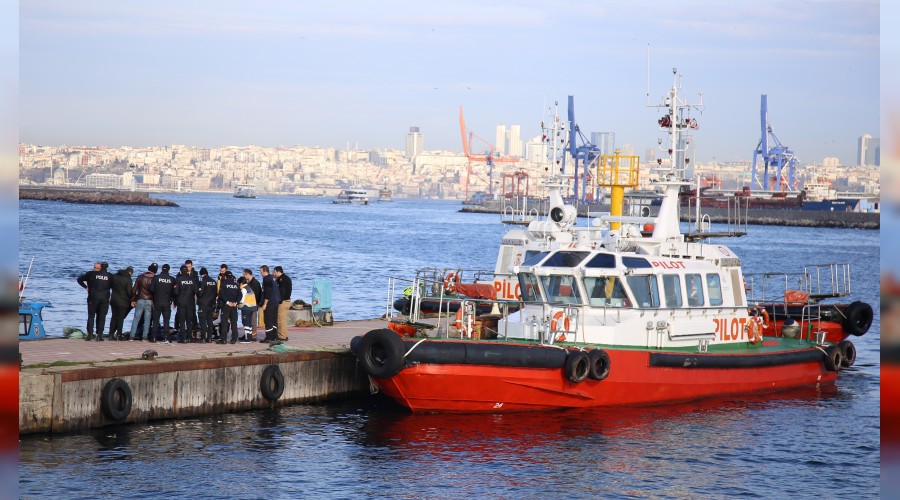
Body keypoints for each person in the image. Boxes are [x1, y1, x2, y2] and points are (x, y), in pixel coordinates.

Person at [77, 261, 112, 341]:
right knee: (97, 316)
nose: (96, 269)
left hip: (93, 297)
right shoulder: (109, 276)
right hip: (104, 297)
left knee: (96, 316)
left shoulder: (91, 274)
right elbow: (79, 279)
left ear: (101, 268)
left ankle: (95, 335)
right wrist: (85, 287)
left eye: (97, 268)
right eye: (95, 268)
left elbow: (79, 279)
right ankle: (94, 335)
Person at [130, 263, 157, 341]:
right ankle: (144, 337)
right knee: (147, 319)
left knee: (136, 318)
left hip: (140, 299)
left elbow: (134, 290)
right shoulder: (155, 278)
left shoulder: (140, 277)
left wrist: (133, 300)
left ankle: (132, 336)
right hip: (150, 300)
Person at [151, 263, 176, 343]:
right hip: (167, 302)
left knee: (155, 320)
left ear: (162, 269)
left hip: (157, 301)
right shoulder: (172, 279)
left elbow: (152, 289)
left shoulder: (156, 278)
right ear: (169, 270)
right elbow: (175, 292)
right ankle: (166, 337)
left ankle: (154, 338)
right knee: (166, 321)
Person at [174, 265, 198, 343]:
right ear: (187, 271)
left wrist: (175, 301)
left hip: (181, 302)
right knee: (189, 320)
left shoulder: (178, 279)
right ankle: (190, 337)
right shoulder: (192, 279)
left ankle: (183, 338)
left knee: (182, 320)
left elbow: (176, 292)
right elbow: (196, 290)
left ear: (180, 271)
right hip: (190, 302)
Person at [109, 266, 134, 341]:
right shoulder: (128, 279)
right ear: (130, 272)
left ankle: (111, 334)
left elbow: (110, 286)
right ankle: (119, 335)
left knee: (113, 317)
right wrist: (132, 299)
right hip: (123, 301)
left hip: (113, 299)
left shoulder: (115, 276)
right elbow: (129, 292)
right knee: (120, 318)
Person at [217, 270, 241, 344]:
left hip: (226, 306)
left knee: (224, 322)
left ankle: (223, 339)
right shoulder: (236, 285)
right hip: (234, 306)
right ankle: (234, 339)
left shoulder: (223, 284)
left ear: (226, 276)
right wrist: (236, 302)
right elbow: (240, 295)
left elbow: (221, 295)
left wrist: (227, 302)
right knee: (234, 323)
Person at [259, 265, 281, 343]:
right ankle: (275, 336)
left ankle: (269, 337)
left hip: (270, 302)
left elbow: (267, 293)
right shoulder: (273, 278)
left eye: (261, 272)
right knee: (274, 320)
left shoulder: (267, 280)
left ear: (265, 271)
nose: (260, 273)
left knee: (268, 320)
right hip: (276, 301)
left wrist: (265, 304)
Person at [196, 267, 217, 343]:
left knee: (202, 321)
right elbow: (215, 293)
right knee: (209, 321)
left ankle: (203, 338)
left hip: (203, 304)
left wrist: (197, 294)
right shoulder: (214, 281)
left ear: (201, 274)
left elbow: (200, 293)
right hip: (211, 304)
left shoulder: (203, 282)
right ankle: (209, 338)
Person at [242, 268, 262, 339]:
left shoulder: (255, 283)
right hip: (249, 304)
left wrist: (257, 304)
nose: (243, 276)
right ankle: (248, 334)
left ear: (247, 274)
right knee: (248, 320)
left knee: (253, 320)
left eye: (244, 275)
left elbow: (257, 294)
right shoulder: (249, 283)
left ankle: (253, 335)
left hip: (253, 304)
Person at [274, 266, 292, 342]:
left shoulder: (283, 280)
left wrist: (279, 301)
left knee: (281, 320)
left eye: (274, 272)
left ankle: (282, 336)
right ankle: (282, 335)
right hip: (285, 301)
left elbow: (282, 292)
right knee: (281, 319)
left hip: (283, 302)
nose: (273, 274)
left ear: (278, 272)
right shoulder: (282, 278)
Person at [237, 277, 257, 343]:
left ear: (241, 283)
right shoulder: (249, 288)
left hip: (246, 307)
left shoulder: (243, 289)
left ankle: (247, 338)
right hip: (252, 307)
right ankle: (249, 337)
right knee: (249, 323)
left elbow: (242, 300)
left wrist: (236, 303)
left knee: (245, 323)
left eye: (239, 283)